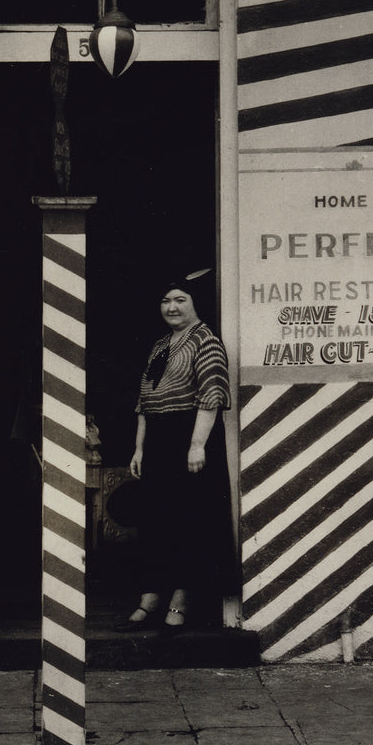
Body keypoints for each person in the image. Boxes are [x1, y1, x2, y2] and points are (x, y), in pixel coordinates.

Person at [115, 270, 234, 634]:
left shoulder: (206, 341)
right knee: (155, 521)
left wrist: (197, 444)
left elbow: (211, 395)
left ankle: (180, 603)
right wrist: (138, 449)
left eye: (180, 300)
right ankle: (149, 600)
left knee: (187, 522)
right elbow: (145, 402)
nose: (172, 307)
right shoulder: (160, 345)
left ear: (195, 304)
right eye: (166, 301)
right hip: (158, 442)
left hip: (188, 438)